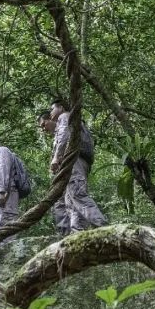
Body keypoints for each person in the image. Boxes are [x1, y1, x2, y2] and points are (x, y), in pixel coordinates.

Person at [41, 100, 107, 236]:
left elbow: (64, 135)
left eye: (52, 109)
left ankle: (102, 226)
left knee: (77, 194)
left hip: (75, 162)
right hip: (76, 162)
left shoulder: (65, 116)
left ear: (61, 107)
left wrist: (56, 157)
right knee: (71, 202)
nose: (51, 112)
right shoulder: (69, 120)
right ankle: (78, 233)